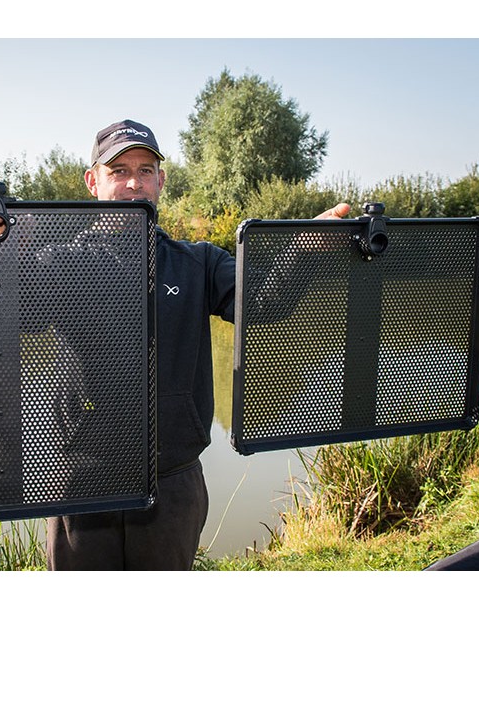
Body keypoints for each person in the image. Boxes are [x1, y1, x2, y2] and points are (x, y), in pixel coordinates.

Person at [45, 118, 350, 570]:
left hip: (172, 480)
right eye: (118, 171)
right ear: (93, 182)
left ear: (161, 181)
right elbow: (13, 315)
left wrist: (302, 248)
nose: (134, 183)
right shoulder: (62, 264)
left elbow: (263, 302)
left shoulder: (198, 261)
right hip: (83, 480)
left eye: (145, 171)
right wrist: (1, 249)